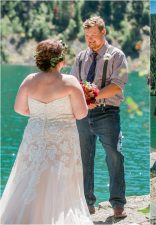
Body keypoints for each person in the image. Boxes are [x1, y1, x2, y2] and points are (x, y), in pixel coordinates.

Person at [0, 40, 93, 224]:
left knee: (29, 173)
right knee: (59, 176)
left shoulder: (29, 80)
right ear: (60, 61)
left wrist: (38, 116)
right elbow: (81, 114)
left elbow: (19, 108)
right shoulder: (70, 82)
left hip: (35, 136)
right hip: (62, 138)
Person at [71, 16, 128, 217]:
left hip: (108, 114)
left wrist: (93, 95)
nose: (90, 40)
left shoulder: (117, 55)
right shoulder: (80, 58)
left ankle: (118, 204)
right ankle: (87, 204)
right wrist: (80, 100)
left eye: (93, 36)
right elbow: (73, 84)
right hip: (83, 115)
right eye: (87, 36)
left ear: (103, 32)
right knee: (84, 159)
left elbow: (116, 85)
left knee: (114, 156)